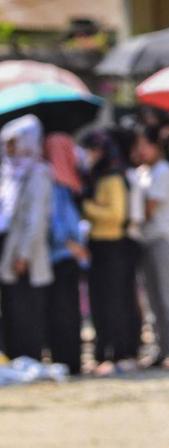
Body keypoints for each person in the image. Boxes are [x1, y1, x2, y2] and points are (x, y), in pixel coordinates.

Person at [82, 130, 139, 375]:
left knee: (115, 301)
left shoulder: (113, 178)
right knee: (100, 302)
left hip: (114, 245)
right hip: (98, 245)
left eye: (92, 151)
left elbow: (116, 215)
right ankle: (103, 350)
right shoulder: (96, 177)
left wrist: (86, 207)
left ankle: (120, 352)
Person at [0, 115, 53, 362]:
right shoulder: (9, 174)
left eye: (13, 142)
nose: (9, 148)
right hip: (7, 249)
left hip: (26, 255)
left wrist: (24, 254)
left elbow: (36, 219)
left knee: (26, 307)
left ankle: (29, 355)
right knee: (11, 306)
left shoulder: (38, 173)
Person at [133, 126, 169, 368]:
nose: (141, 150)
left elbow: (149, 208)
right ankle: (160, 347)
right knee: (151, 299)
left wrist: (130, 218)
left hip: (164, 240)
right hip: (146, 240)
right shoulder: (143, 172)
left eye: (146, 144)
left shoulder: (163, 170)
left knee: (167, 296)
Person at [44, 132, 88, 375]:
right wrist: (73, 244)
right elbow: (58, 222)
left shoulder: (64, 180)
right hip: (64, 253)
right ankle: (69, 360)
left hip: (66, 254)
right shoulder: (57, 181)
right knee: (65, 310)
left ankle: (70, 360)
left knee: (68, 310)